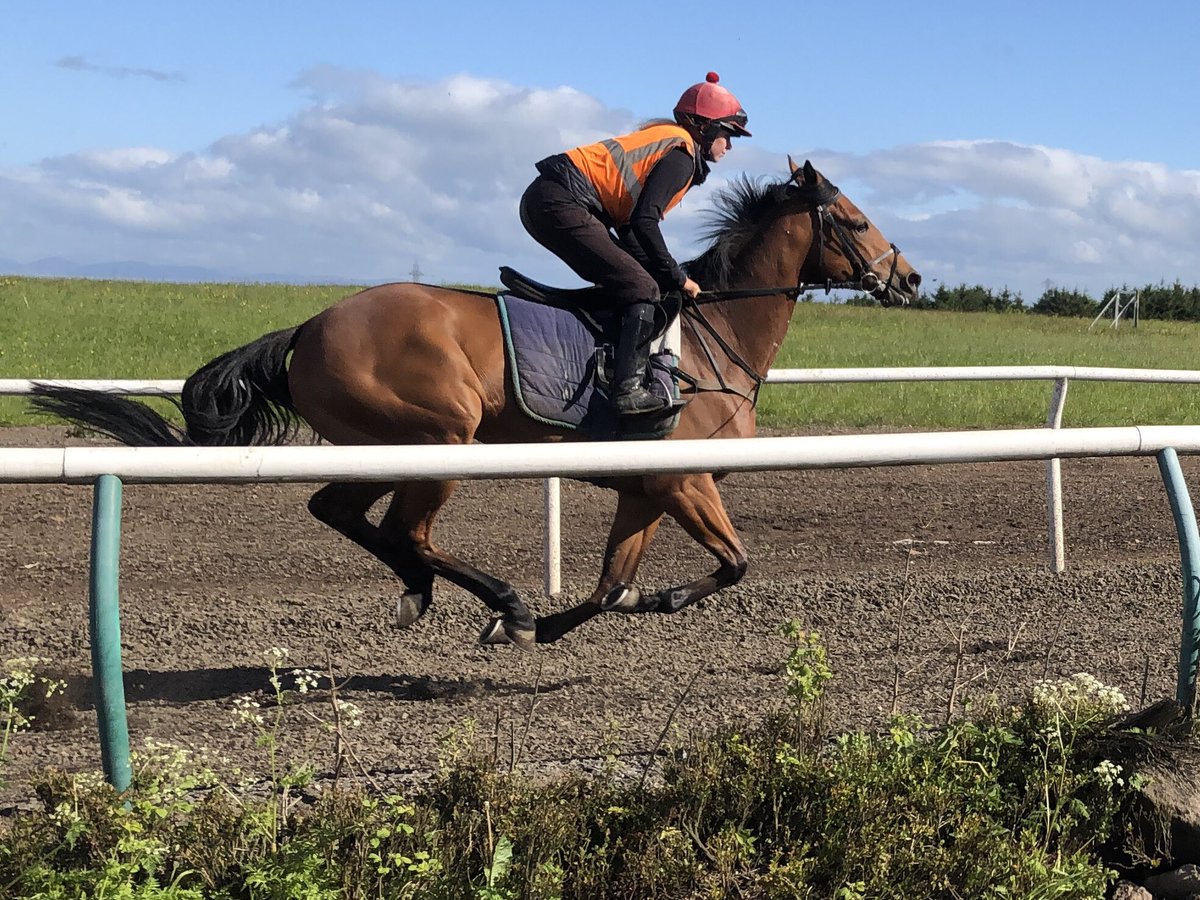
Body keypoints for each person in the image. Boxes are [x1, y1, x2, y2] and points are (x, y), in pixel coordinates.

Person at [519, 72, 751, 415]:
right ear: (705, 128)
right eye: (728, 135)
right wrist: (676, 276)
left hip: (552, 198)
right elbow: (644, 223)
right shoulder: (681, 156)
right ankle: (627, 390)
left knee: (643, 279)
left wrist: (667, 274)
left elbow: (631, 228)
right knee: (641, 285)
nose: (729, 146)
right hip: (560, 202)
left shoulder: (672, 145)